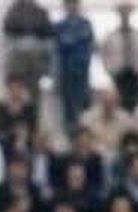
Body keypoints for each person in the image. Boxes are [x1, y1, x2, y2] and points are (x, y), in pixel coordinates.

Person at [54, 0, 96, 132]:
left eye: (74, 3)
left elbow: (89, 45)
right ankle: (71, 136)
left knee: (85, 105)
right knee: (68, 108)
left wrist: (71, 40)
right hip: (65, 72)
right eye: (69, 3)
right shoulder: (60, 26)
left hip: (82, 71)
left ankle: (85, 134)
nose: (72, 6)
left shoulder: (86, 24)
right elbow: (60, 45)